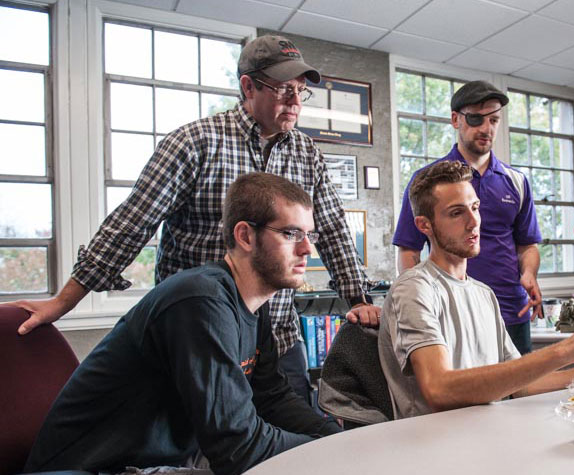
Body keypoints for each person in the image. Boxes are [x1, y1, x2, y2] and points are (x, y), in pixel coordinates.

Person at [8, 35, 379, 401]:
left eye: (301, 91)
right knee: (209, 455)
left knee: (298, 446)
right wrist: (65, 302)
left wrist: (357, 299)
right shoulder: (194, 143)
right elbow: (132, 223)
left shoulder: (307, 153)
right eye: (284, 89)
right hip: (199, 338)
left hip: (277, 337)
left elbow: (332, 230)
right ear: (248, 87)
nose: (296, 102)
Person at [23, 173, 342, 475]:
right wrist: (325, 452)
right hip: (95, 468)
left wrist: (336, 439)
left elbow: (272, 398)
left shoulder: (253, 305)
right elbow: (237, 448)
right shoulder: (200, 301)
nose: (307, 250)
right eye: (291, 234)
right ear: (245, 235)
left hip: (151, 466)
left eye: (309, 235)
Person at [379, 161, 574, 419]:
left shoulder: (483, 293)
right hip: (434, 449)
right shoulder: (414, 288)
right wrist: (570, 348)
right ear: (424, 225)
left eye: (474, 208)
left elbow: (518, 386)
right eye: (456, 212)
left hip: (487, 435)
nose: (474, 222)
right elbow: (439, 390)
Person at [393, 81, 543, 354]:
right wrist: (413, 303)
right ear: (455, 120)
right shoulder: (428, 182)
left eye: (494, 120)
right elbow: (408, 249)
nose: (487, 129)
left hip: (511, 309)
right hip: (452, 311)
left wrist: (530, 274)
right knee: (463, 391)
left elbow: (528, 246)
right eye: (476, 119)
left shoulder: (517, 182)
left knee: (521, 392)